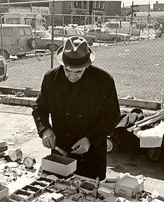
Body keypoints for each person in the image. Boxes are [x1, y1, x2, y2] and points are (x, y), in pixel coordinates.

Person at [32, 36, 121, 180]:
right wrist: (45, 130)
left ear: (87, 65)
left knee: (90, 194)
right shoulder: (50, 77)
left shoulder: (104, 80)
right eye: (67, 70)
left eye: (78, 72)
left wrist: (90, 139)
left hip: (91, 155)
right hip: (61, 150)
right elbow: (39, 108)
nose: (72, 77)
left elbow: (112, 116)